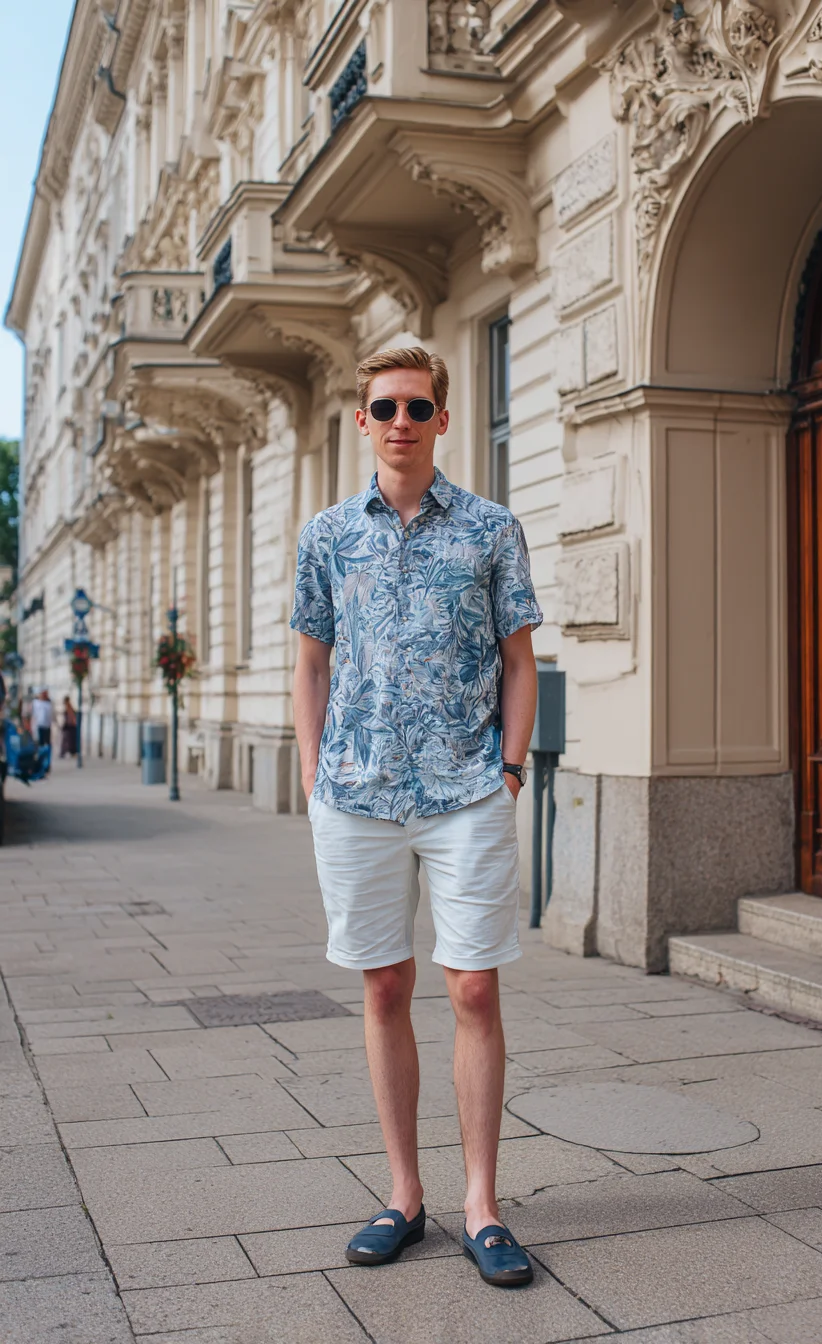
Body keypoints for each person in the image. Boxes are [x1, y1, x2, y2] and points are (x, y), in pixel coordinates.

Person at [291, 346, 542, 1287]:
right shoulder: (326, 536)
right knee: (385, 986)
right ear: (363, 420)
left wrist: (508, 770)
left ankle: (482, 1204)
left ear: (443, 417)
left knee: (473, 988)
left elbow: (520, 661)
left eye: (419, 406)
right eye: (387, 407)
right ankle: (404, 1195)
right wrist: (314, 779)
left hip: (466, 790)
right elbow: (311, 665)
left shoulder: (491, 529)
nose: (403, 421)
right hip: (355, 796)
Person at [31, 688, 54, 765]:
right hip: (39, 726)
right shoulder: (36, 703)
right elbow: (33, 714)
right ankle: (40, 762)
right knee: (40, 745)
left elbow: (52, 715)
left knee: (47, 745)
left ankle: (47, 762)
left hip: (47, 726)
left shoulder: (49, 703)